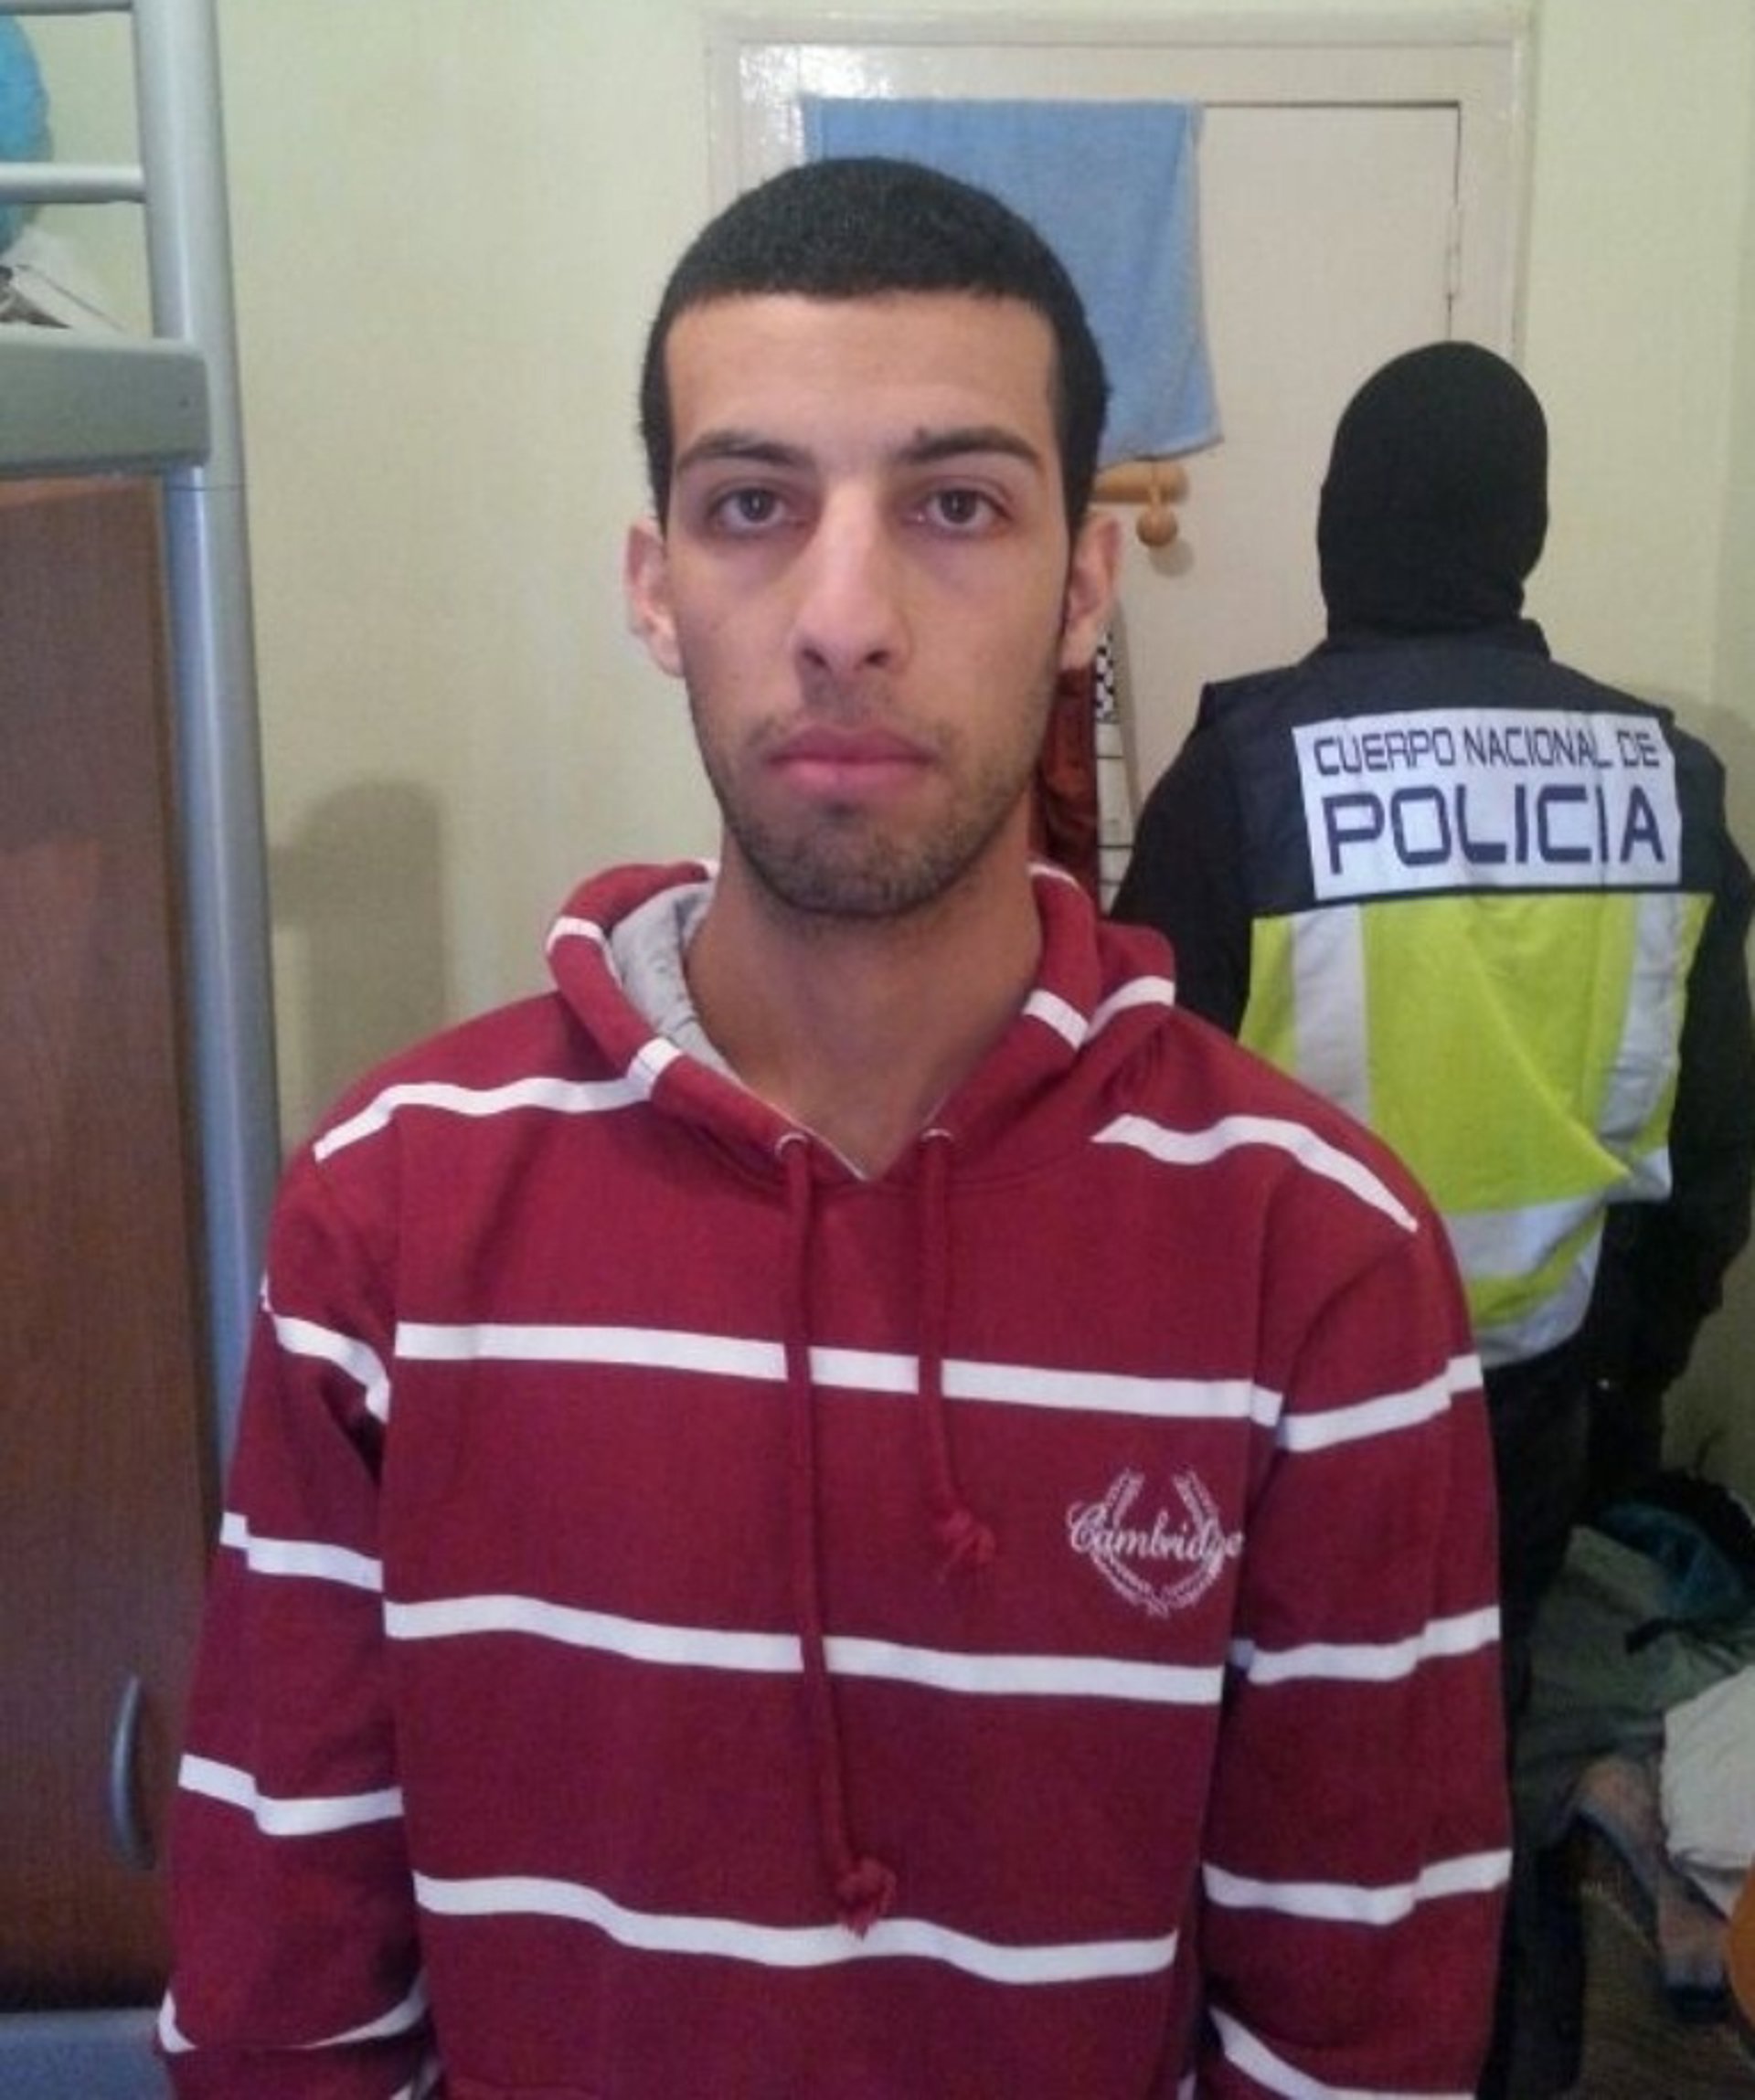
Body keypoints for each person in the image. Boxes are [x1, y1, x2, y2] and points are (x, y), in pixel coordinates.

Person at [159, 160, 1508, 2099]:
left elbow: (1355, 2043)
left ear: (1083, 587)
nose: (846, 618)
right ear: (655, 587)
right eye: (753, 506)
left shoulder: (1324, 1261)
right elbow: (284, 2003)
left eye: (955, 506)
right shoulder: (391, 1209)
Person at [1112, 341, 1755, 1719]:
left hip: (1297, 1407)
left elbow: (1129, 1144)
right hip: (1538, 1397)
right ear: (1526, 533)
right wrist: (1635, 1381)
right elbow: (1713, 1159)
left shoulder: (1241, 782)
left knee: (1283, 1732)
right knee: (1475, 1719)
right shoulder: (1670, 789)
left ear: (1338, 523)